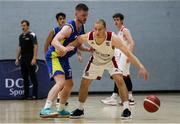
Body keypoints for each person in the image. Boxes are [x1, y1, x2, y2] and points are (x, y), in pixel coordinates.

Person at [67, 19, 148, 119]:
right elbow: (76, 41)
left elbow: (128, 53)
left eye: (100, 29)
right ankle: (80, 109)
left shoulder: (113, 38)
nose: (97, 32)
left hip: (110, 59)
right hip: (96, 60)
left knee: (119, 79)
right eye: (95, 29)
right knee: (84, 83)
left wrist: (141, 66)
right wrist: (62, 49)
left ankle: (126, 109)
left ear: (105, 29)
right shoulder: (89, 36)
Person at [39, 3, 89, 118]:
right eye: (83, 15)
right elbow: (54, 41)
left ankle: (61, 109)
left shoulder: (82, 28)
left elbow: (79, 45)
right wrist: (64, 49)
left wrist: (88, 49)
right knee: (61, 83)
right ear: (76, 14)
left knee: (69, 84)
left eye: (86, 15)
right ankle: (45, 109)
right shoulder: (68, 27)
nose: (85, 18)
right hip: (54, 56)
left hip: (64, 58)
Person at [101, 13, 135, 106]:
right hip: (120, 56)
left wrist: (129, 56)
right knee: (125, 76)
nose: (115, 21)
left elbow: (132, 43)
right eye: (114, 20)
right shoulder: (119, 32)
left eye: (117, 20)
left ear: (121, 21)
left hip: (125, 56)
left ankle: (114, 97)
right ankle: (130, 98)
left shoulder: (125, 30)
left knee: (118, 75)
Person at [44, 12, 69, 106]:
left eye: (63, 18)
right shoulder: (53, 31)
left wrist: (79, 54)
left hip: (63, 58)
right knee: (60, 81)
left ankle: (60, 99)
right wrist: (46, 57)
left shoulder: (67, 30)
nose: (62, 20)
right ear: (57, 21)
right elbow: (46, 44)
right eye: (60, 19)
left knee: (65, 80)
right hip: (54, 58)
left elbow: (74, 43)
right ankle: (55, 100)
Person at [15, 20, 38, 99]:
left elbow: (35, 46)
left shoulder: (32, 34)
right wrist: (17, 58)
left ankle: (34, 95)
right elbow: (20, 47)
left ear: (28, 26)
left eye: (24, 25)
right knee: (25, 78)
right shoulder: (21, 36)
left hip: (30, 58)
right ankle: (26, 95)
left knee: (32, 77)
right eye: (22, 25)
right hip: (23, 59)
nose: (23, 27)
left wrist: (34, 58)